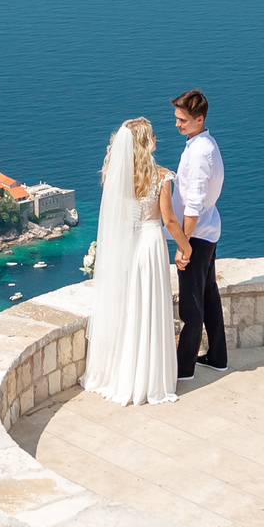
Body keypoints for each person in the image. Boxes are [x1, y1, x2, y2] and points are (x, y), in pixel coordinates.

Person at [85, 117, 179, 405]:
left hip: (128, 247)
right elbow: (170, 220)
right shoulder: (162, 176)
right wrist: (186, 247)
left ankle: (123, 375)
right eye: (152, 135)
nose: (156, 139)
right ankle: (150, 380)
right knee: (149, 306)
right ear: (145, 141)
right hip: (150, 246)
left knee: (130, 309)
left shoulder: (117, 178)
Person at [170, 88, 226, 379]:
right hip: (209, 229)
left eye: (182, 119)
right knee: (208, 297)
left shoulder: (200, 152)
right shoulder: (204, 143)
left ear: (199, 118)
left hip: (197, 235)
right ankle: (217, 357)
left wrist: (183, 244)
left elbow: (193, 203)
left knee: (191, 306)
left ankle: (184, 369)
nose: (177, 124)